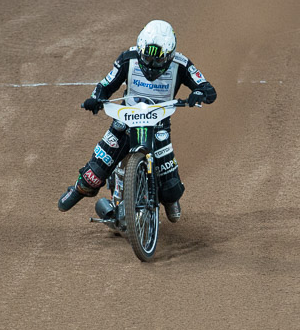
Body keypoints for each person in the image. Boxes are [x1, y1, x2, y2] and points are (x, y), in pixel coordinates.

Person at [57, 20, 217, 222]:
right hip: (125, 122)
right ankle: (78, 188)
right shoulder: (127, 58)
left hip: (158, 126)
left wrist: (199, 93)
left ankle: (169, 200)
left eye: (158, 61)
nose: (151, 65)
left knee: (171, 190)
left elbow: (208, 89)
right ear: (140, 51)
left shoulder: (182, 64)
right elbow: (106, 85)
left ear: (170, 55)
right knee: (92, 177)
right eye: (148, 58)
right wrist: (96, 99)